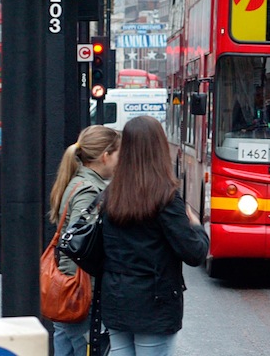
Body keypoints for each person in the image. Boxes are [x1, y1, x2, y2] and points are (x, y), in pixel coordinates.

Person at [101, 116, 209, 355]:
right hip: (154, 304)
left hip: (116, 299)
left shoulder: (110, 194)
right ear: (159, 148)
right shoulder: (165, 197)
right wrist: (197, 227)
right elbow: (194, 253)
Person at [49, 125, 121, 356]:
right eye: (119, 154)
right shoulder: (89, 190)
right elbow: (77, 241)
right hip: (79, 291)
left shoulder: (77, 182)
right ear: (105, 156)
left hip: (66, 289)